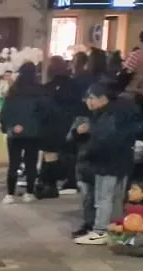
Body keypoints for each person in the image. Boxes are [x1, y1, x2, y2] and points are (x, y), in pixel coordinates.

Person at [74, 84, 143, 246]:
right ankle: (115, 227)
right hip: (122, 161)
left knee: (104, 198)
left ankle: (100, 231)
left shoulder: (106, 115)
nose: (88, 102)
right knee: (117, 197)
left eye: (91, 98)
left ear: (102, 98)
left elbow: (103, 141)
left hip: (106, 162)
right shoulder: (124, 112)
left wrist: (88, 152)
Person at [0, 62, 47, 204]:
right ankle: (29, 192)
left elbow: (5, 113)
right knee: (31, 163)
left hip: (15, 132)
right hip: (33, 133)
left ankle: (9, 194)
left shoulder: (13, 92)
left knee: (13, 163)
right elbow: (44, 113)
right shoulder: (39, 91)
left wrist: (11, 126)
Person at [41, 56, 87, 197]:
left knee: (51, 155)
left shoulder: (47, 87)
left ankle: (50, 183)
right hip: (71, 123)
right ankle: (71, 180)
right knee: (71, 153)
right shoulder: (74, 85)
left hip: (52, 125)